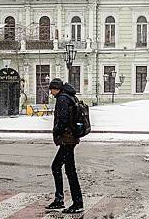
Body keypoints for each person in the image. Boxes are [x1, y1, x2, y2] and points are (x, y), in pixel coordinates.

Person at [45, 78, 84, 214]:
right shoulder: (70, 96)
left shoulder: (62, 99)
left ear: (57, 88)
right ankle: (61, 199)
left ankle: (76, 202)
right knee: (60, 167)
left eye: (52, 89)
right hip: (70, 138)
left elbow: (63, 120)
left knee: (67, 170)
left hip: (67, 139)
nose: (51, 92)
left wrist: (57, 131)